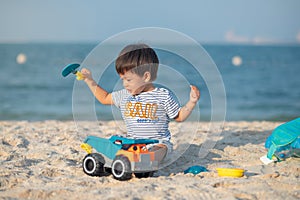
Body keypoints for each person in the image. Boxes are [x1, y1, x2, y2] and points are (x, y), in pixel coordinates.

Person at [81, 43, 200, 161]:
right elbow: (104, 98)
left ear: (146, 77)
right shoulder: (125, 95)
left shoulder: (162, 95)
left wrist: (192, 102)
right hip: (132, 143)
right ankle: (126, 157)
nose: (124, 84)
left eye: (128, 79)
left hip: (156, 143)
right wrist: (89, 80)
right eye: (122, 80)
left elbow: (179, 116)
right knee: (116, 142)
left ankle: (143, 159)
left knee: (160, 149)